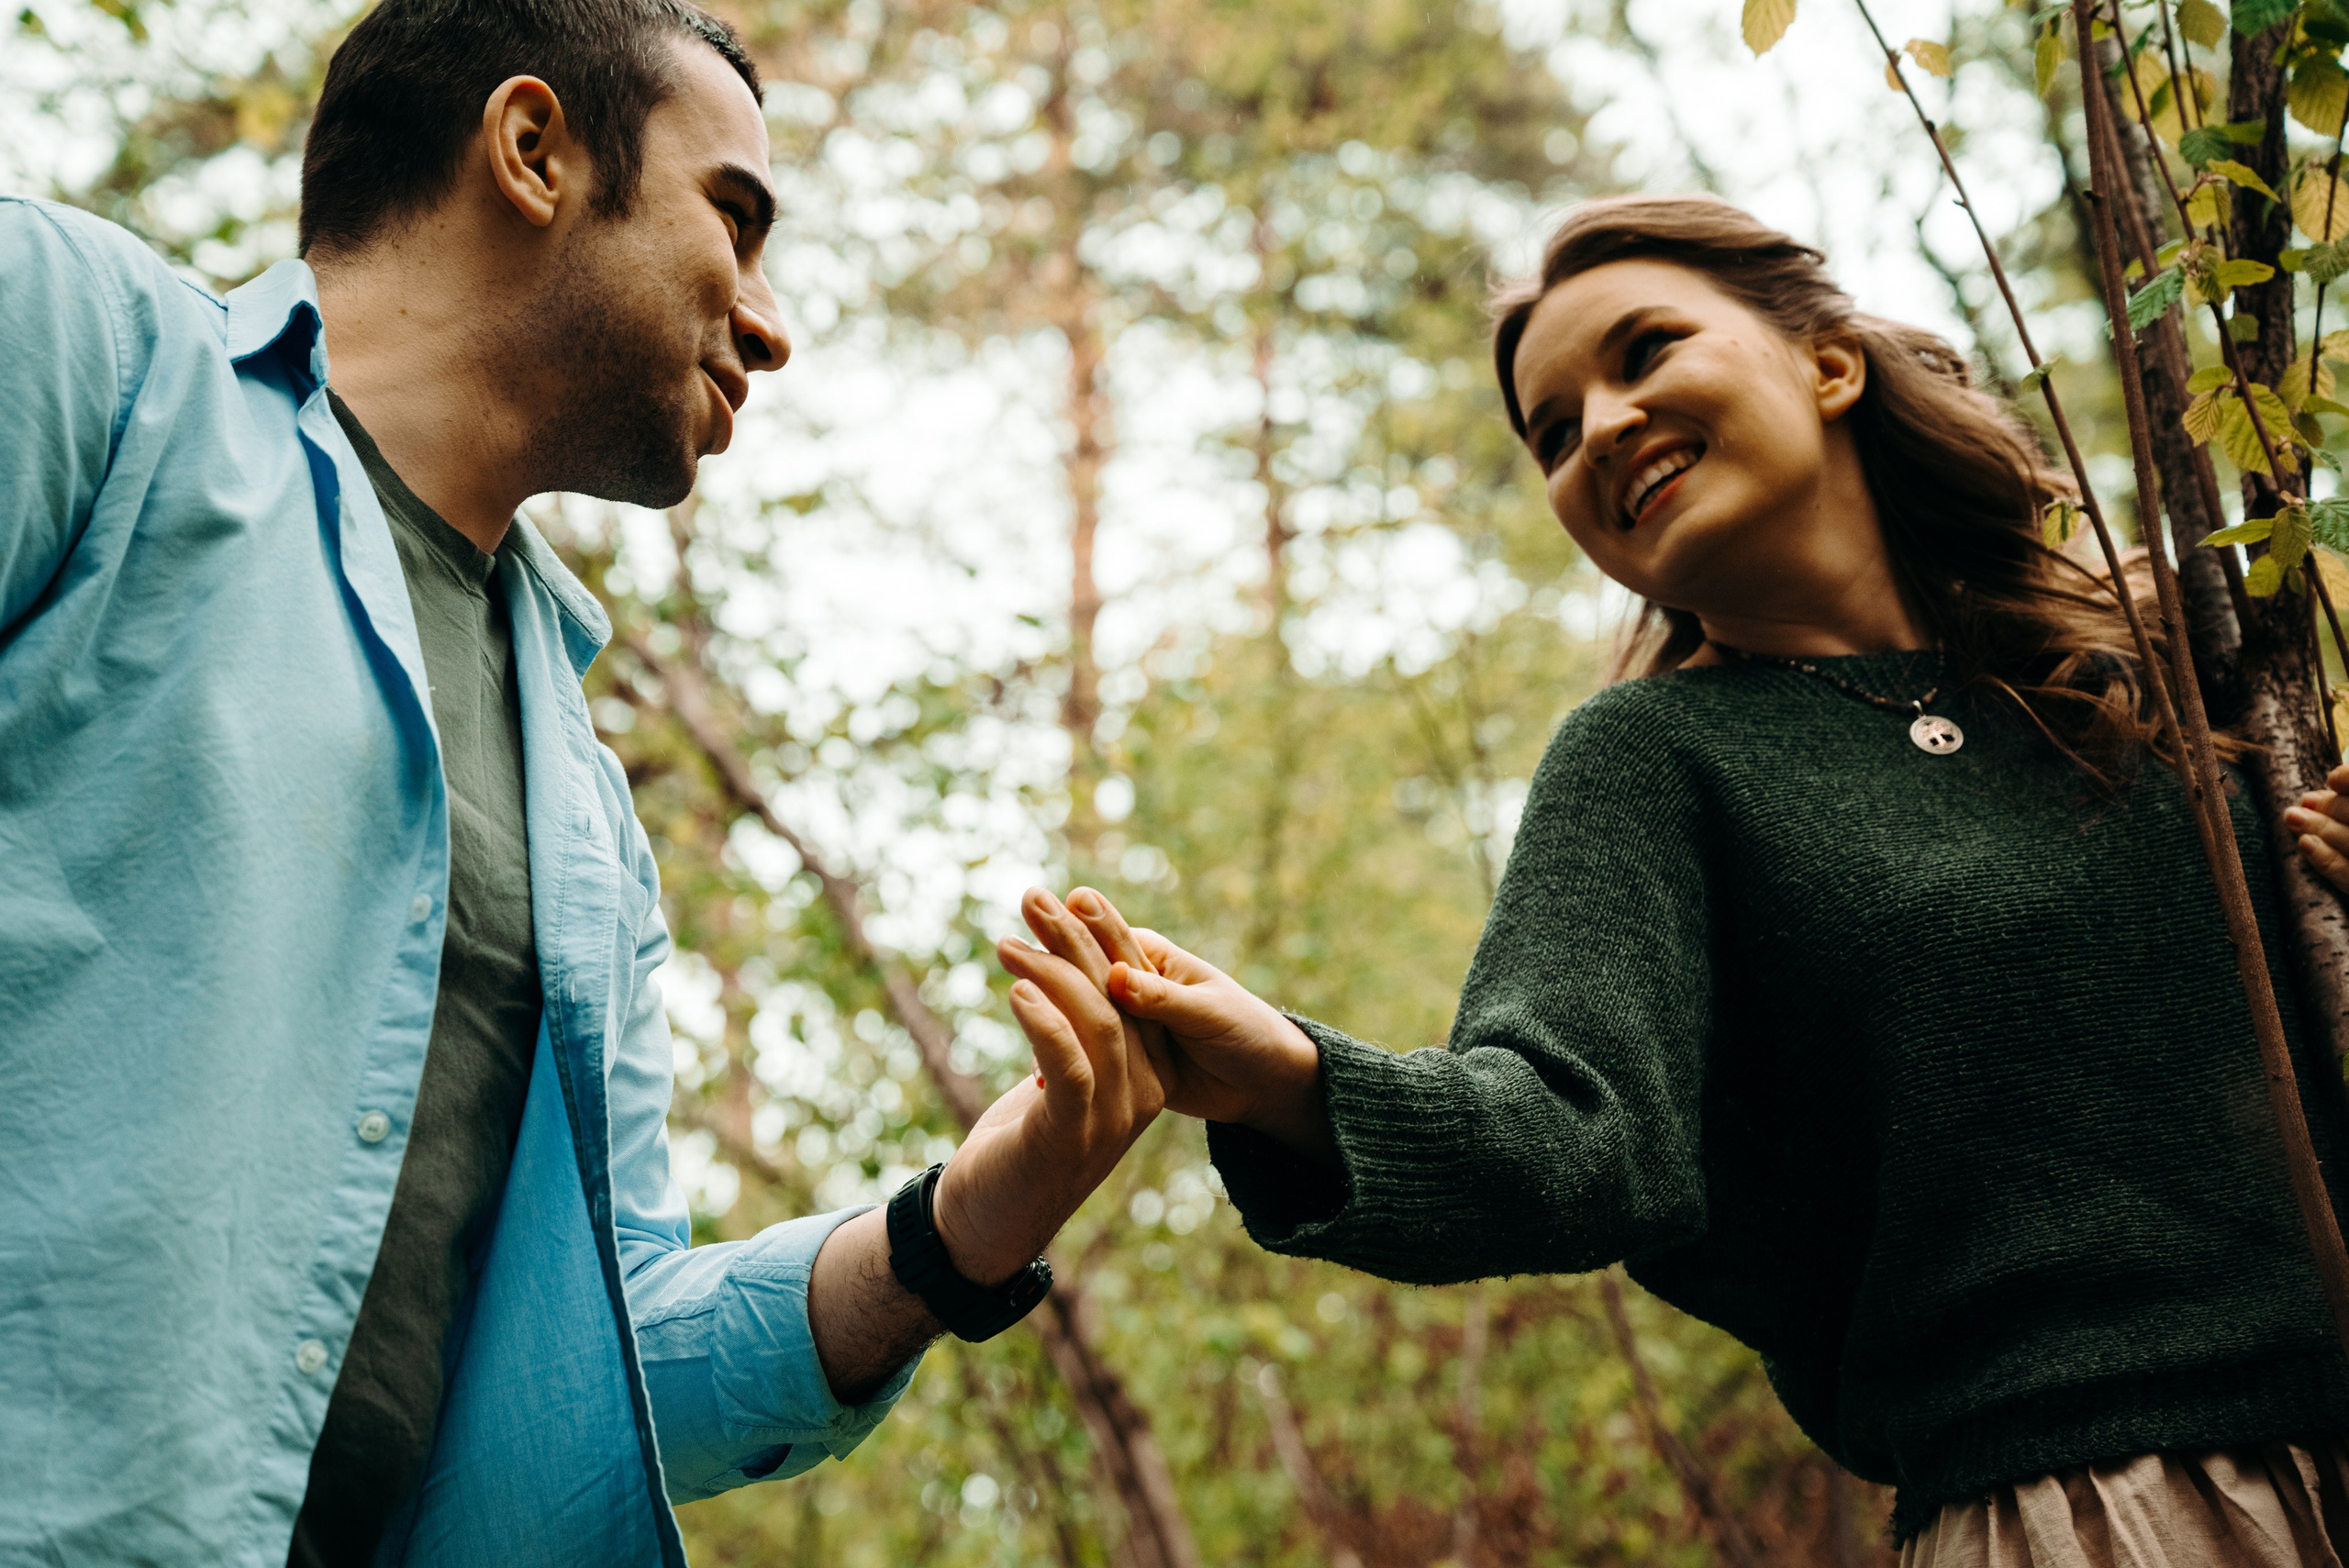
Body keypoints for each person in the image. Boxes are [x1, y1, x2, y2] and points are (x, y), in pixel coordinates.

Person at [998, 195, 2349, 1564]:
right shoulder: (1654, 761)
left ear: (1830, 363)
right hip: (2104, 1512)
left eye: (1644, 352)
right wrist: (1289, 1081)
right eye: (1553, 430)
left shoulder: (2177, 650)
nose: (1598, 428)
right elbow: (1573, 1134)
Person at [0, 3, 1163, 1563]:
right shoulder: (87, 351)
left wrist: (965, 1225)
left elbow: (597, 1372)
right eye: (732, 220)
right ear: (534, 151)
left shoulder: (586, 814)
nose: (766, 320)